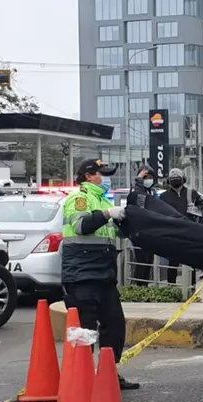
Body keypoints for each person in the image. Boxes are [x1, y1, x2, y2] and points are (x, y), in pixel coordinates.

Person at [61, 159, 139, 390]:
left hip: (104, 274)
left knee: (114, 325)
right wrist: (107, 213)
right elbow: (82, 226)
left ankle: (108, 373)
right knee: (84, 330)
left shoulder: (103, 200)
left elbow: (115, 234)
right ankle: (80, 378)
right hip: (81, 273)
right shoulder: (80, 198)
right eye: (101, 174)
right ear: (88, 176)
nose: (105, 179)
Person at [161, 168, 203, 284]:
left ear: (183, 180)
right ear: (169, 181)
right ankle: (171, 286)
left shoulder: (192, 193)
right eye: (173, 179)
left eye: (178, 179)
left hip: (189, 233)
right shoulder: (164, 197)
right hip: (172, 234)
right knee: (172, 263)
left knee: (190, 262)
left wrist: (196, 210)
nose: (175, 181)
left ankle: (191, 287)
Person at [126, 166, 158, 285]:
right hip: (138, 231)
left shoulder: (152, 192)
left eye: (150, 177)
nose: (148, 180)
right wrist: (139, 180)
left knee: (149, 260)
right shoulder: (136, 191)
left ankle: (145, 285)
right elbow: (139, 199)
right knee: (140, 260)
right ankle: (139, 287)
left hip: (151, 231)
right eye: (145, 177)